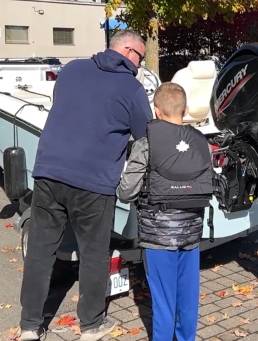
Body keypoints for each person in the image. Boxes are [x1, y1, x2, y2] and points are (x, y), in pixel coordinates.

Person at [18, 30, 152, 341]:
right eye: (140, 58)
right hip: (93, 182)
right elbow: (146, 136)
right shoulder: (131, 88)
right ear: (129, 51)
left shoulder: (72, 69)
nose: (140, 64)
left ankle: (29, 325)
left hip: (49, 173)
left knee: (40, 251)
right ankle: (91, 325)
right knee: (94, 255)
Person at [117, 82, 216, 341]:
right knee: (188, 300)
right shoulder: (201, 142)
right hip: (192, 234)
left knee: (163, 303)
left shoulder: (146, 143)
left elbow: (126, 192)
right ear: (184, 110)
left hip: (157, 237)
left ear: (156, 111)